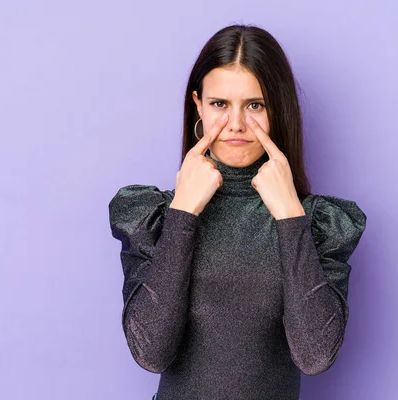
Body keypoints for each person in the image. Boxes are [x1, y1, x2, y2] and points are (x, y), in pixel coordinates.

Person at [108, 24, 367, 400]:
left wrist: (290, 217)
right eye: (219, 104)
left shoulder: (320, 222)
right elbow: (151, 353)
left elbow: (314, 356)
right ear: (197, 104)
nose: (236, 125)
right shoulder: (153, 215)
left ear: (279, 109)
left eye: (255, 105)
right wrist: (183, 213)